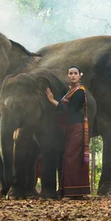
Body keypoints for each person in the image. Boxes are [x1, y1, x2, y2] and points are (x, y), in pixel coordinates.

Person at [45, 65, 90, 199]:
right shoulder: (70, 92)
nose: (72, 75)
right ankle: (71, 191)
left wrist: (52, 101)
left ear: (80, 76)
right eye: (70, 73)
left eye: (75, 73)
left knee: (71, 158)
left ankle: (73, 192)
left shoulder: (79, 92)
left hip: (77, 128)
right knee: (69, 158)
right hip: (71, 128)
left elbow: (70, 110)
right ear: (67, 76)